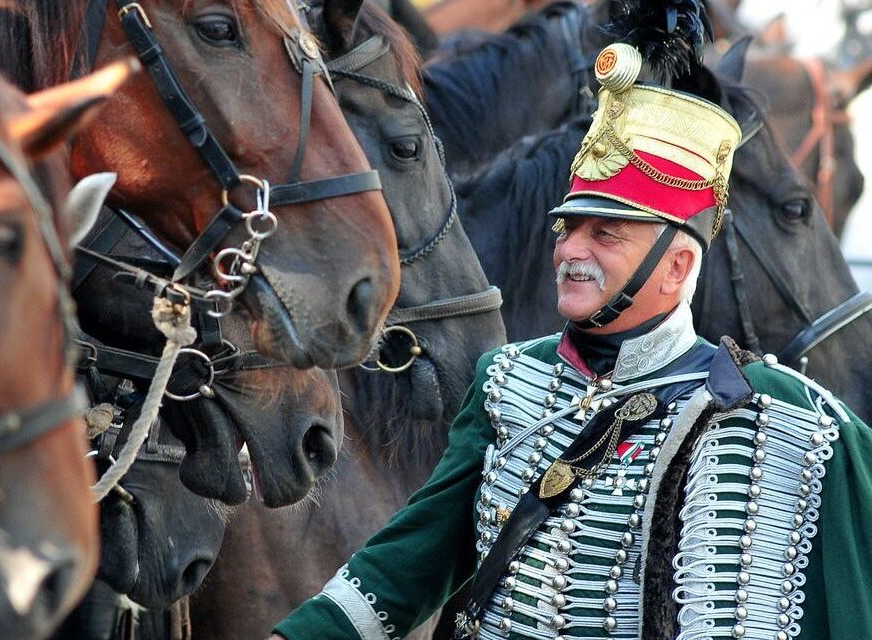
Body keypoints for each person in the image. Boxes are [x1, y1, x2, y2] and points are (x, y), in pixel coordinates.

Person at [266, 6, 872, 639]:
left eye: (605, 235)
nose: (569, 252)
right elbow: (405, 567)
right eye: (567, 228)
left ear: (678, 265)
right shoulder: (507, 381)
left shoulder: (792, 422)